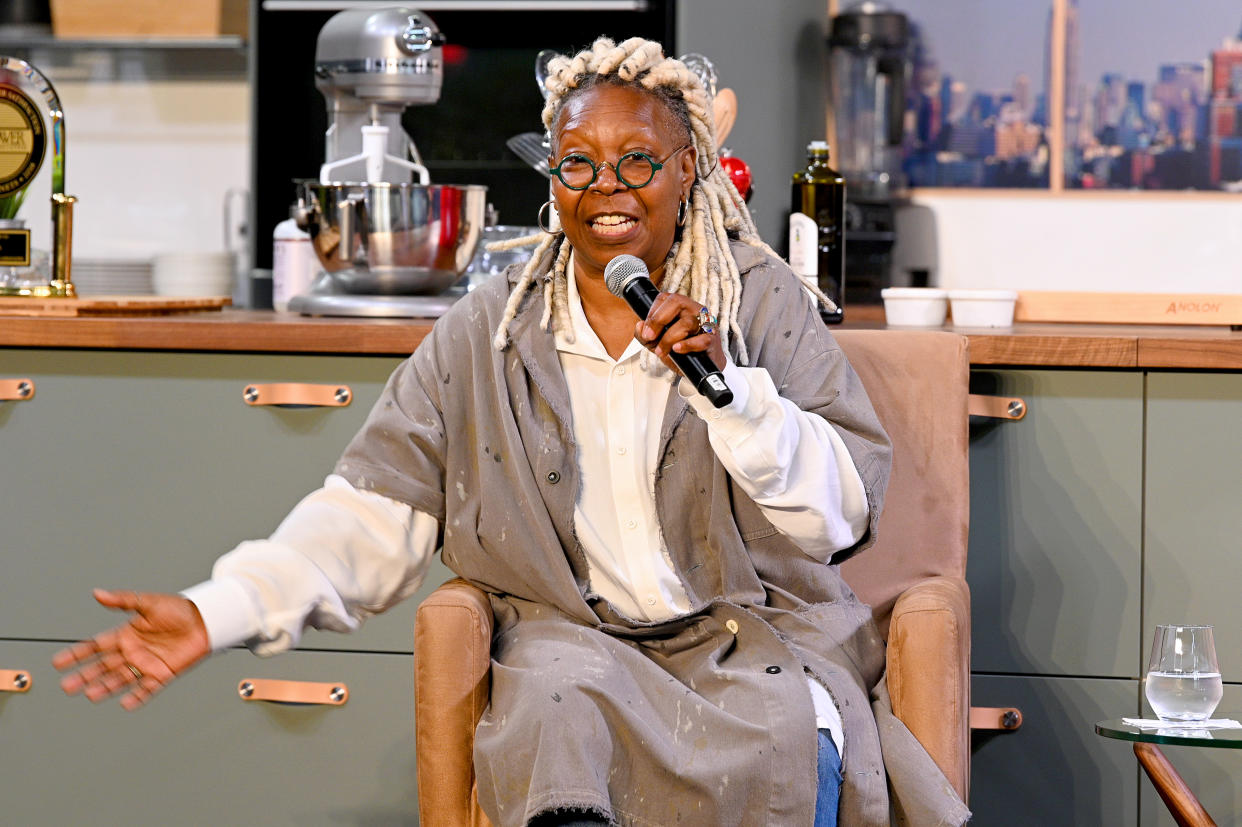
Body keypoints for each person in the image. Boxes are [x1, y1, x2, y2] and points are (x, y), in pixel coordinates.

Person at [53, 37, 969, 827]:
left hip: (750, 640)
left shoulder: (755, 303)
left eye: (639, 161)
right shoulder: (490, 331)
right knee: (553, 705)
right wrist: (217, 610)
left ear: (688, 168)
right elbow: (369, 515)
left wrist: (733, 394)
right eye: (578, 162)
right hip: (579, 642)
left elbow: (838, 515)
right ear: (553, 178)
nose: (606, 187)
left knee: (787, 733)